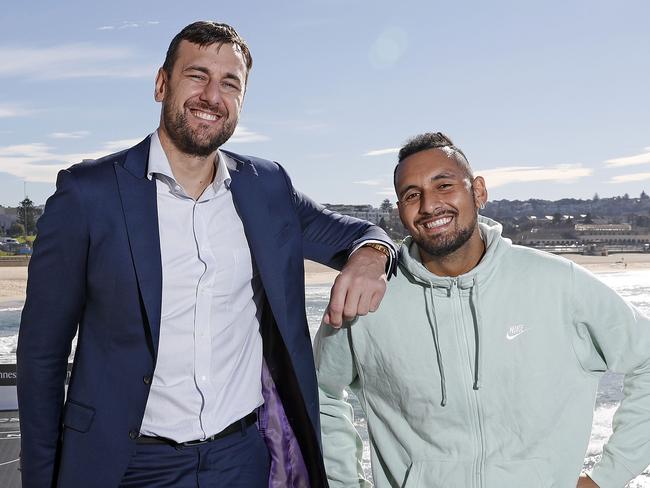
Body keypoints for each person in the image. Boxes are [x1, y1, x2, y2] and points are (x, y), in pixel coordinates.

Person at [17, 21, 396, 488]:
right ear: (162, 84)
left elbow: (355, 233)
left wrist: (373, 253)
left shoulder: (267, 186)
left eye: (229, 84)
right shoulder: (87, 194)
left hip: (243, 458)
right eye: (197, 75)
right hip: (128, 464)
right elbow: (41, 355)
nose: (211, 95)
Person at [315, 132, 650, 488]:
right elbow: (317, 392)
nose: (429, 205)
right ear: (400, 210)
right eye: (411, 195)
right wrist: (344, 484)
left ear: (478, 191)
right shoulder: (368, 298)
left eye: (444, 185)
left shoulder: (557, 284)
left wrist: (605, 477)